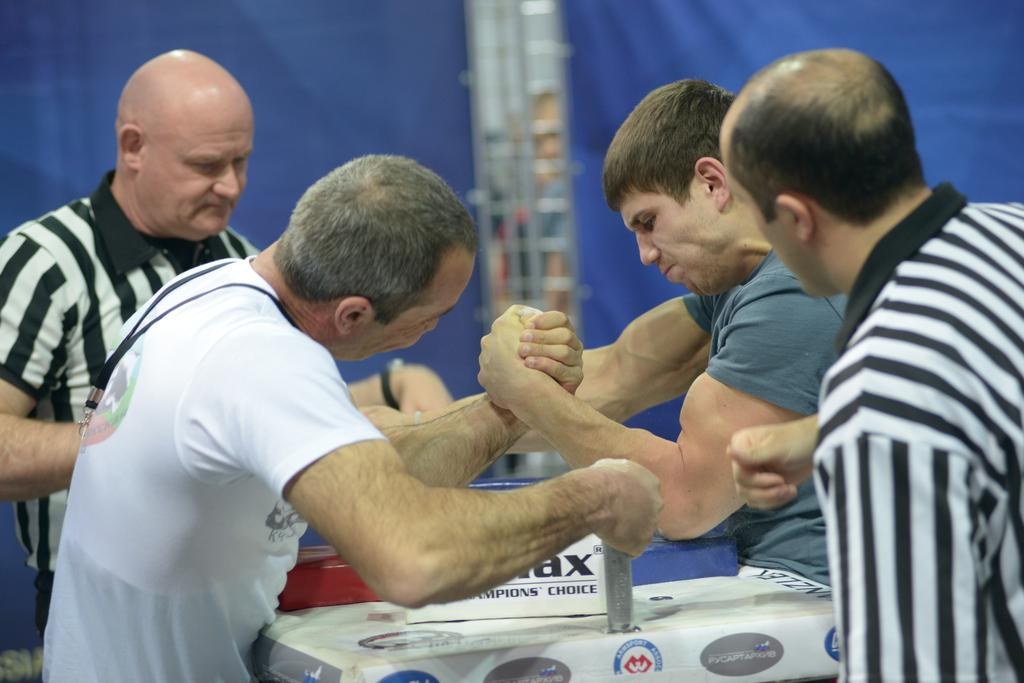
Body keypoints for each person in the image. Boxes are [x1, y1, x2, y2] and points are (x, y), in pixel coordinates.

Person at [43, 154, 662, 681]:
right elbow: (413, 557)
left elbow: (383, 476)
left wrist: (512, 404)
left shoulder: (208, 293)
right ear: (353, 315)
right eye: (431, 316)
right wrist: (595, 497)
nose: (433, 329)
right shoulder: (261, 360)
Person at [0, 49, 453, 635]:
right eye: (206, 165)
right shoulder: (46, 264)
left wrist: (390, 385)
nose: (230, 185)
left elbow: (278, 408)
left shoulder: (242, 258)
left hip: (249, 592)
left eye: (241, 161)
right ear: (133, 146)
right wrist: (137, 438)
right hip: (103, 601)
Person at [723, 48, 1024, 680]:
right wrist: (826, 428)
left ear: (796, 219)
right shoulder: (1012, 233)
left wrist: (855, 423)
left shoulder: (881, 398)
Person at [479, 79, 844, 593]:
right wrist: (410, 438)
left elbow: (681, 502)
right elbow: (618, 374)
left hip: (813, 593)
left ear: (712, 183)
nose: (645, 254)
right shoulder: (739, 281)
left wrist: (527, 391)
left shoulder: (794, 295)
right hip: (766, 573)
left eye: (649, 222)